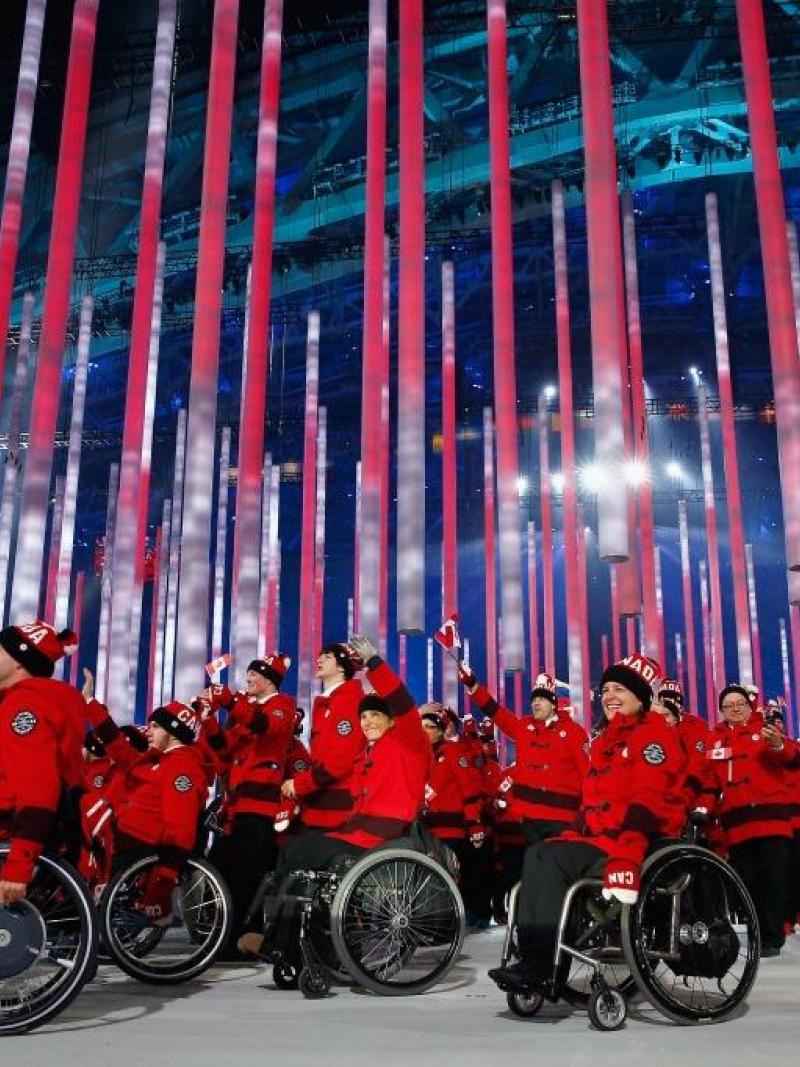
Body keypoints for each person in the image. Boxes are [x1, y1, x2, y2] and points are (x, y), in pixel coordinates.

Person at [488, 653, 685, 995]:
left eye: (619, 689)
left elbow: (647, 802)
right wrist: (571, 832)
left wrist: (626, 857)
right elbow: (591, 802)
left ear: (641, 697)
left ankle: (542, 965)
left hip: (637, 845)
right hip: (601, 841)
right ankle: (535, 958)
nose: (609, 695)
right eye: (606, 689)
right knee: (537, 853)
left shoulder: (654, 737)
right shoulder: (606, 742)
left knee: (552, 860)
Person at [239, 635, 430, 958]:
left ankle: (284, 945)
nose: (367, 722)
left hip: (384, 835)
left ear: (391, 720)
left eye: (375, 716)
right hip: (358, 833)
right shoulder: (368, 754)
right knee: (293, 854)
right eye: (364, 717)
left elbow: (402, 703)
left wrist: (373, 663)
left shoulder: (408, 742)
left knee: (303, 854)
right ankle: (298, 943)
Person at [84, 677, 207, 925]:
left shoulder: (182, 768)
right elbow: (118, 746)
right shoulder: (158, 760)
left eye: (155, 727)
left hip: (140, 849)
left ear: (173, 733)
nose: (147, 731)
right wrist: (90, 703)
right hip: (123, 842)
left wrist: (165, 876)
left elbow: (180, 827)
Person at [698, 682, 796, 956]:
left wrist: (777, 744)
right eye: (728, 706)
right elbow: (709, 783)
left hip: (773, 821)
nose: (735, 709)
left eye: (739, 704)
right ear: (721, 710)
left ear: (749, 706)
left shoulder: (764, 730)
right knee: (748, 881)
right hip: (737, 825)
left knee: (775, 877)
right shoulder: (714, 739)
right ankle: (757, 935)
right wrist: (703, 810)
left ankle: (773, 938)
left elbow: (790, 756)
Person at [206, 654, 296, 948]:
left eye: (253, 675)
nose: (247, 680)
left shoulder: (282, 705)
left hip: (259, 809)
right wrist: (207, 718)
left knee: (246, 877)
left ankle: (243, 939)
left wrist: (231, 701)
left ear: (269, 679)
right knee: (219, 871)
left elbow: (265, 726)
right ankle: (222, 936)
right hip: (235, 808)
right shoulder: (245, 710)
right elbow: (224, 747)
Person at [0, 621, 82, 905]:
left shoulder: (24, 707)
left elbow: (39, 789)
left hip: (10, 831)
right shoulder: (20, 703)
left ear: (20, 662)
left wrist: (19, 864)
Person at [464, 669, 588, 846]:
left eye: (542, 699)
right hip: (530, 818)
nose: (536, 703)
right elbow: (496, 711)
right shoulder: (523, 727)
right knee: (535, 866)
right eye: (534, 699)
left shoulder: (574, 732)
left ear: (554, 704)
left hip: (563, 818)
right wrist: (473, 685)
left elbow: (587, 775)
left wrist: (585, 816)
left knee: (558, 869)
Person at [280, 643, 366, 832]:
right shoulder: (330, 701)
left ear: (342, 666)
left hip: (335, 811)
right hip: (322, 804)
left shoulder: (348, 701)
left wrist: (300, 783)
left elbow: (340, 761)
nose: (319, 660)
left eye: (327, 656)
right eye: (320, 655)